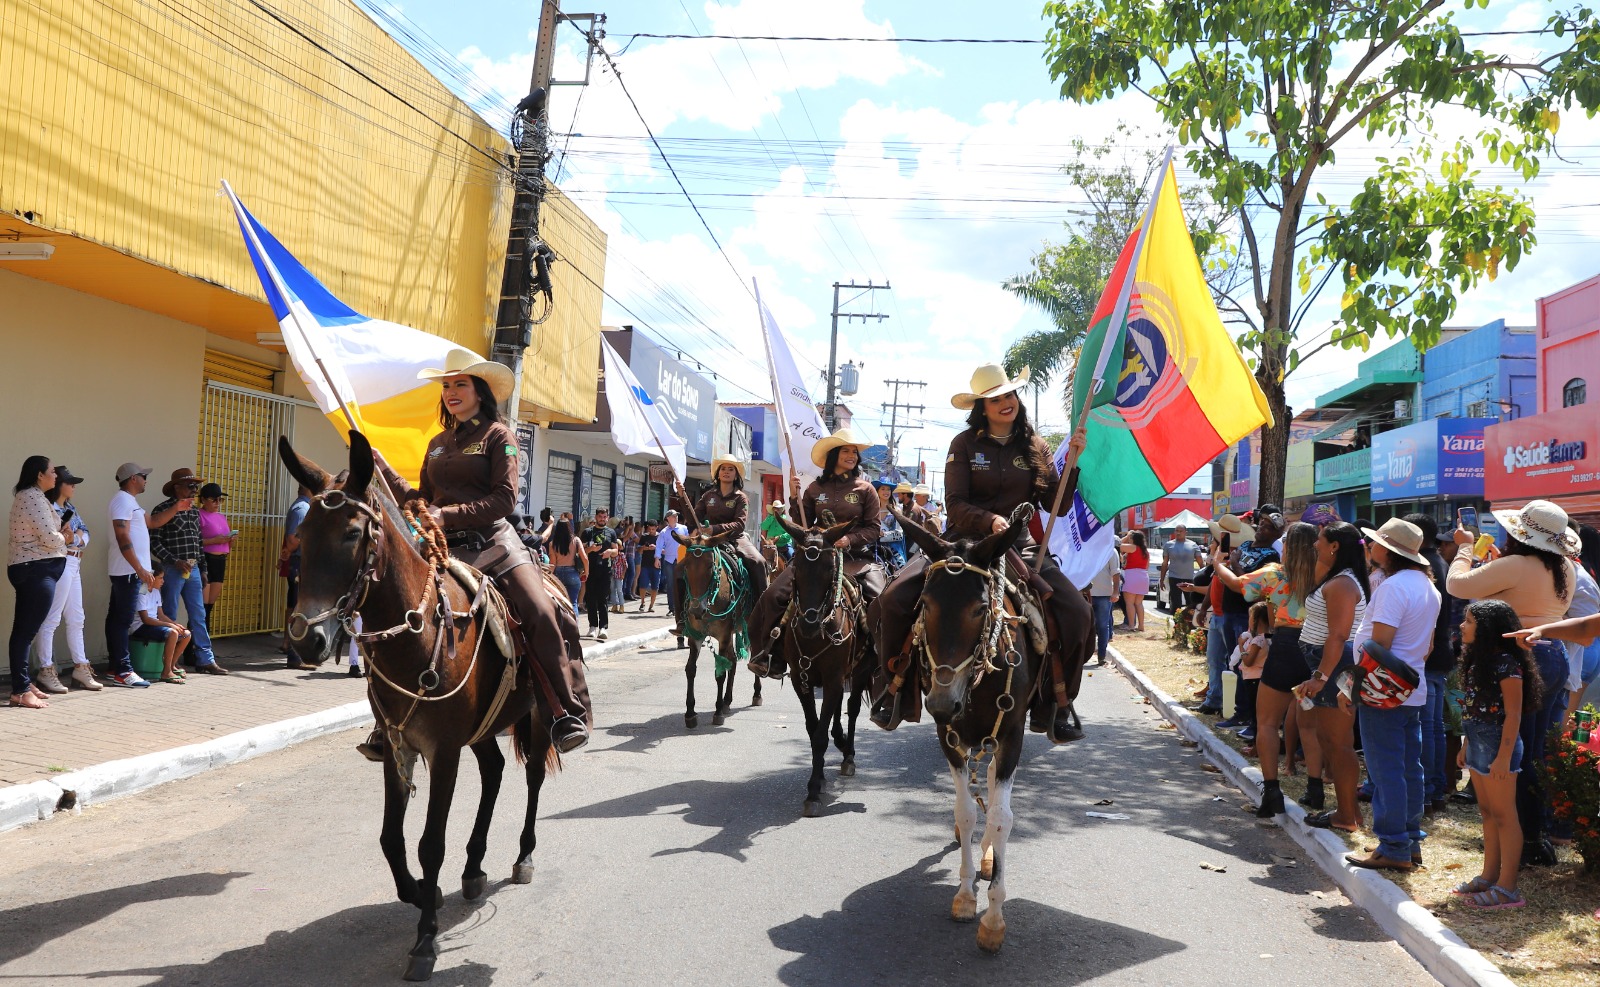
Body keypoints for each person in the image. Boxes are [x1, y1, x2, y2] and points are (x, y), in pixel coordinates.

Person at [375, 352, 591, 752]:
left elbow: (504, 500)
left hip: (494, 545)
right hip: (442, 551)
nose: (452, 392)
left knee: (541, 611)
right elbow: (423, 502)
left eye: (460, 384)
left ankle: (565, 711)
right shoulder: (437, 445)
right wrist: (385, 471)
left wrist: (448, 514)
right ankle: (387, 718)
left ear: (480, 391)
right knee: (393, 608)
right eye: (446, 386)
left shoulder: (499, 436)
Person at [868, 364, 1091, 742]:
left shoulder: (1036, 446)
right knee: (891, 600)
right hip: (960, 543)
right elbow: (954, 504)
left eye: (1009, 395)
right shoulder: (964, 444)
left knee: (1077, 613)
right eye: (995, 399)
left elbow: (1059, 505)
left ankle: (1059, 702)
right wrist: (988, 521)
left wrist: (1072, 465)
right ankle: (894, 689)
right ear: (982, 408)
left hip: (1018, 546)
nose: (1006, 403)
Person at [1447, 499, 1576, 867]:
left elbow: (1457, 584)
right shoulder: (1564, 564)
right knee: (1536, 751)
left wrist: (1465, 546)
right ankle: (1537, 835)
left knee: (1515, 753)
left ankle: (1522, 839)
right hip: (1554, 656)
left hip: (1520, 656)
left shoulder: (1516, 564)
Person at [749, 427, 885, 679]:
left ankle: (880, 659)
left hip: (856, 559)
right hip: (814, 559)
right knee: (771, 596)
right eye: (846, 450)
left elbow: (874, 529)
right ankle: (769, 655)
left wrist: (849, 539)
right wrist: (793, 496)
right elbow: (802, 523)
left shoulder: (866, 489)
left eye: (854, 452)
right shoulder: (813, 489)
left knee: (881, 600)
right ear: (833, 455)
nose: (851, 455)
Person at [1345, 518, 1441, 871]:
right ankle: (1409, 840)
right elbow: (1426, 646)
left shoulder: (1393, 586)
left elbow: (1379, 645)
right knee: (1407, 768)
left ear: (1389, 550)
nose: (1369, 547)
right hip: (1410, 689)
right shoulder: (1428, 587)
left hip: (1383, 690)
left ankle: (1394, 846)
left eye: (1374, 543)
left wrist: (1355, 685)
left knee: (1386, 770)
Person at [1212, 518, 1315, 818]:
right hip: (1316, 651)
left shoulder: (1276, 574)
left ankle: (1272, 791)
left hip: (1284, 646)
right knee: (1310, 724)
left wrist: (1218, 562)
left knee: (1267, 722)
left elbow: (1236, 583)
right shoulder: (1325, 576)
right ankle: (1316, 787)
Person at [1454, 599, 1541, 910]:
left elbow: (1514, 715)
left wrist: (1503, 758)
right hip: (1478, 741)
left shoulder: (1506, 663)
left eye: (1469, 621)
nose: (1462, 626)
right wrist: (1466, 745)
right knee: (1488, 814)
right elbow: (1473, 707)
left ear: (1487, 629)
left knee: (1505, 816)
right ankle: (1489, 877)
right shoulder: (1478, 660)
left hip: (1498, 744)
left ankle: (1508, 888)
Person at [1293, 522, 1370, 833]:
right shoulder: (1337, 577)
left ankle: (1347, 815)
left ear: (1335, 546)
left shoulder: (1342, 584)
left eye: (1321, 541)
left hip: (1335, 666)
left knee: (1338, 743)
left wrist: (1321, 677)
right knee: (1330, 740)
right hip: (1329, 664)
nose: (1315, 545)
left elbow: (1338, 636)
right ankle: (1348, 812)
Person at [106, 462, 184, 688]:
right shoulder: (121, 500)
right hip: (128, 571)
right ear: (132, 478)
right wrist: (140, 569)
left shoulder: (130, 502)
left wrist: (176, 508)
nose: (146, 479)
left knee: (116, 619)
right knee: (122, 620)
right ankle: (123, 670)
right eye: (143, 476)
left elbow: (153, 522)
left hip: (130, 571)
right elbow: (123, 537)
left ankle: (115, 667)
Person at [1403, 513, 1457, 813]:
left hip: (1426, 656)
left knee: (1426, 727)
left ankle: (1427, 790)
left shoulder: (1425, 567)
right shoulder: (1439, 564)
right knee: (1433, 726)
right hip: (1437, 655)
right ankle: (1434, 789)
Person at [32, 465, 100, 693]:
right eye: (70, 482)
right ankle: (45, 669)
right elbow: (55, 537)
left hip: (74, 561)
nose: (73, 486)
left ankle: (81, 667)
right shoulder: (47, 506)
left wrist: (77, 539)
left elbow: (85, 532)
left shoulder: (70, 507)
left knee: (76, 617)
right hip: (59, 562)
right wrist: (72, 537)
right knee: (51, 618)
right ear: (58, 484)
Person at [149, 468, 224, 675]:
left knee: (198, 614)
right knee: (170, 614)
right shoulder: (162, 510)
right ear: (177, 487)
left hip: (194, 570)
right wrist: (174, 561)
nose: (194, 491)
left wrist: (203, 568)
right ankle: (169, 662)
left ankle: (205, 659)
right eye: (191, 486)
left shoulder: (193, 511)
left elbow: (199, 543)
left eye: (196, 487)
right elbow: (154, 543)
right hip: (172, 570)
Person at [9, 456, 70, 708]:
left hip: (37, 570)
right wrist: (64, 537)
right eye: (53, 472)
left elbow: (53, 531)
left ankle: (23, 683)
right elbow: (50, 538)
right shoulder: (31, 497)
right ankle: (20, 690)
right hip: (34, 570)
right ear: (39, 475)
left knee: (26, 631)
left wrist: (60, 534)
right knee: (25, 632)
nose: (56, 476)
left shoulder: (36, 497)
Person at [684, 456, 770, 620]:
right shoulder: (708, 496)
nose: (726, 472)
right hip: (708, 540)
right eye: (723, 469)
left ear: (736, 475)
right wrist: (682, 496)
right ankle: (681, 619)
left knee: (758, 562)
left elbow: (739, 524)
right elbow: (693, 518)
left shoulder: (740, 497)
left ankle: (761, 612)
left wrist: (714, 528)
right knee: (680, 568)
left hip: (735, 538)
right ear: (717, 473)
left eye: (731, 469)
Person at [130, 569, 192, 685]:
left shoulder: (156, 591)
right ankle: (166, 672)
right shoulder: (142, 592)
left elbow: (161, 615)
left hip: (155, 625)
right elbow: (146, 619)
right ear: (151, 578)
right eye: (160, 578)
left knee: (186, 634)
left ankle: (172, 665)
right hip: (141, 627)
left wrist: (174, 623)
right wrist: (169, 625)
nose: (163, 581)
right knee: (172, 633)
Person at [279, 482, 312, 662]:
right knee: (297, 607)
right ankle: (294, 654)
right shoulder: (302, 509)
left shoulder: (304, 507)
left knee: (295, 605)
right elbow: (292, 541)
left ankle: (290, 647)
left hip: (298, 562)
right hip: (299, 562)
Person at [196, 483, 234, 633]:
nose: (218, 503)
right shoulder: (198, 515)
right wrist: (214, 541)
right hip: (206, 558)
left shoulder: (221, 517)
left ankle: (205, 637)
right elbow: (195, 541)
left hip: (220, 560)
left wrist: (230, 540)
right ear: (204, 500)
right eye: (214, 500)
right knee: (203, 604)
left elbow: (226, 543)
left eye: (220, 500)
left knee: (211, 604)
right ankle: (197, 642)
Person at [579, 507, 620, 641]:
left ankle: (603, 627)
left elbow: (616, 551)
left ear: (607, 518)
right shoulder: (587, 532)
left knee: (603, 599)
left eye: (604, 517)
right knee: (590, 599)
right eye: (600, 517)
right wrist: (591, 549)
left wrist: (609, 552)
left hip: (605, 570)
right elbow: (581, 551)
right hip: (590, 569)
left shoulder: (611, 532)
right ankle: (592, 626)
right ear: (596, 517)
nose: (602, 519)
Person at [1231, 600, 1271, 731]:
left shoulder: (1258, 640)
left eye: (1250, 617)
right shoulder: (1265, 637)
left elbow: (1249, 661)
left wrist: (1241, 645)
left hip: (1254, 678)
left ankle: (1254, 732)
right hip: (1255, 677)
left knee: (1255, 708)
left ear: (1256, 620)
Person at [655, 509, 689, 648]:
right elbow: (658, 546)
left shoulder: (684, 529)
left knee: (687, 585)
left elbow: (689, 542)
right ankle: (672, 608)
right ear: (668, 518)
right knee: (671, 585)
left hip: (683, 560)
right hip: (669, 560)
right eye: (672, 516)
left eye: (675, 515)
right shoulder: (664, 532)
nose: (674, 517)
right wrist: (657, 558)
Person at [1087, 547, 1120, 667]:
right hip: (1085, 593)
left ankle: (1101, 656)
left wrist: (1116, 592)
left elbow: (1116, 573)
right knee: (1085, 625)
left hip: (1104, 594)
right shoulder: (1086, 546)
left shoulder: (1111, 551)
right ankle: (1083, 655)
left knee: (1102, 626)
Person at [547, 516, 585, 614]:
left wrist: (549, 576)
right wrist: (587, 572)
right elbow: (584, 558)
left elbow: (553, 563)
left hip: (558, 574)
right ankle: (574, 626)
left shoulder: (553, 544)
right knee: (573, 603)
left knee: (559, 603)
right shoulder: (576, 540)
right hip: (572, 572)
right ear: (569, 527)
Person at [1160, 524, 1199, 611]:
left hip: (1189, 578)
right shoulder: (1168, 545)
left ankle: (1189, 623)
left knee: (1191, 603)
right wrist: (1161, 579)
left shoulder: (1193, 545)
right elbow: (1165, 563)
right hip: (1174, 577)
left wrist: (1204, 578)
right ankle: (1177, 623)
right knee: (1176, 603)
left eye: (1181, 531)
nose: (1178, 533)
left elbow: (1201, 564)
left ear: (1186, 532)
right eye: (1176, 531)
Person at [1119, 531, 1149, 630]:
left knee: (1129, 602)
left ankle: (1131, 625)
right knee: (1139, 603)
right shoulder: (1145, 551)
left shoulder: (1132, 547)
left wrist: (1126, 536)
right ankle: (1141, 626)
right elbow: (1147, 566)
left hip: (1132, 575)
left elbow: (1117, 544)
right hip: (1143, 576)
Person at [876, 481, 907, 567]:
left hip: (893, 550)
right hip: (874, 548)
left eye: (888, 490)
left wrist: (883, 535)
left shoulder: (896, 510)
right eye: (883, 489)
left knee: (901, 570)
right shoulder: (872, 511)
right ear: (877, 491)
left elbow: (900, 534)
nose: (886, 492)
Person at [636, 519, 660, 612]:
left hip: (656, 565)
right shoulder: (644, 537)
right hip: (645, 564)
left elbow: (664, 549)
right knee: (643, 585)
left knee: (655, 586)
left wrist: (655, 548)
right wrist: (645, 548)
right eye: (649, 529)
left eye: (653, 529)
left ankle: (652, 605)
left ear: (656, 528)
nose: (651, 531)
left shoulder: (660, 537)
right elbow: (639, 550)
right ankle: (642, 602)